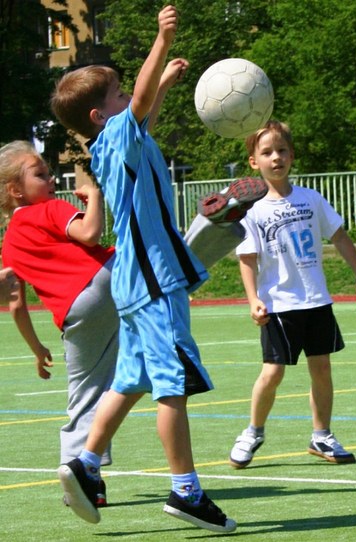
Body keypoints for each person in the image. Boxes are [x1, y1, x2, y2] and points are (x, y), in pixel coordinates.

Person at [49, 5, 235, 532]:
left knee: (129, 380)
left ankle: (85, 464)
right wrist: (159, 40)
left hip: (135, 279)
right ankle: (186, 491)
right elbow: (143, 103)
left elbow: (144, 111)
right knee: (171, 384)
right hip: (153, 279)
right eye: (117, 93)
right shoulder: (116, 136)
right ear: (99, 117)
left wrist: (168, 82)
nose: (129, 94)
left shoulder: (115, 142)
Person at [0, 141, 264, 499]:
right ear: (16, 190)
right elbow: (90, 233)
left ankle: (81, 480)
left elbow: (15, 304)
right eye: (40, 174)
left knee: (84, 395)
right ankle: (211, 225)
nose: (50, 179)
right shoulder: (49, 209)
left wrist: (36, 349)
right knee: (165, 264)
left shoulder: (10, 244)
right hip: (107, 279)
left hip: (76, 314)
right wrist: (93, 196)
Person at [227, 120, 356, 468]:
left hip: (316, 301)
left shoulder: (311, 198)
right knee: (272, 373)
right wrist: (252, 299)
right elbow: (247, 258)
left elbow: (339, 236)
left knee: (321, 369)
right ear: (253, 162)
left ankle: (321, 435)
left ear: (292, 156)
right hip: (279, 305)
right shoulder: (253, 209)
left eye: (281, 151)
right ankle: (253, 430)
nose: (275, 157)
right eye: (266, 153)